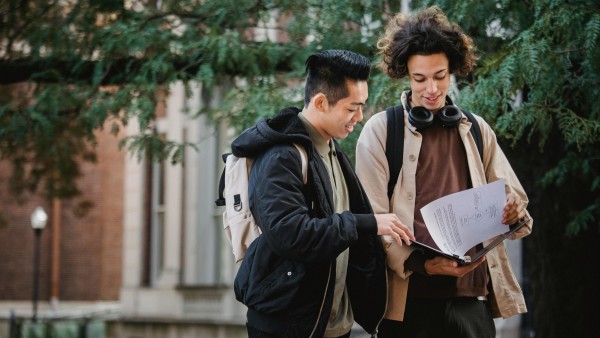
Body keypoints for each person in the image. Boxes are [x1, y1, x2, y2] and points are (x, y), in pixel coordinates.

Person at [355, 6, 533, 338]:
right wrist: (422, 264)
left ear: (453, 71)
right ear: (405, 75)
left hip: (472, 302)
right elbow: (370, 220)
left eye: (440, 76)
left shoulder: (477, 129)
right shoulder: (380, 132)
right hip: (408, 305)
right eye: (420, 79)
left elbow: (516, 204)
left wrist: (513, 210)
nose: (432, 89)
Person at [231, 49, 415, 338]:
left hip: (332, 326)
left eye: (362, 106)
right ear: (320, 102)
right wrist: (367, 222)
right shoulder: (281, 156)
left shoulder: (331, 149)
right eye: (352, 107)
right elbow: (290, 233)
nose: (360, 116)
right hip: (287, 325)